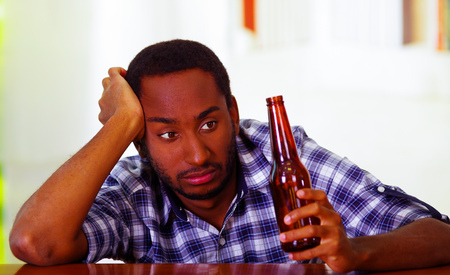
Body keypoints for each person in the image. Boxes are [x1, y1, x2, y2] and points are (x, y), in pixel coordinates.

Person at [9, 39, 450, 273]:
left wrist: (353, 252)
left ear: (233, 113)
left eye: (208, 124)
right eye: (166, 134)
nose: (197, 154)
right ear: (140, 141)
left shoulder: (282, 157)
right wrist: (119, 125)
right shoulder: (134, 188)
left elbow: (440, 235)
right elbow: (34, 243)